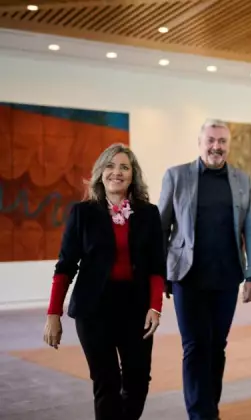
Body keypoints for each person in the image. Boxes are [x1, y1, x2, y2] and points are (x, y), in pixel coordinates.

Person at [43, 143, 166, 420]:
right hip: (94, 310)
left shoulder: (148, 213)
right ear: (100, 173)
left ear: (133, 175)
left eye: (124, 167)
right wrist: (53, 314)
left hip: (135, 308)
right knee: (106, 383)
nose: (117, 172)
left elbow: (157, 267)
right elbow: (65, 267)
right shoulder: (82, 213)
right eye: (110, 166)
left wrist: (155, 307)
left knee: (137, 381)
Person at [158, 118, 251, 420]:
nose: (216, 147)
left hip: (226, 276)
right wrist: (162, 274)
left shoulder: (242, 180)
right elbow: (161, 228)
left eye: (222, 142)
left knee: (217, 347)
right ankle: (199, 414)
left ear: (229, 145)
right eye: (211, 140)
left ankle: (210, 409)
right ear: (200, 142)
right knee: (194, 347)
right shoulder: (176, 176)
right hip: (187, 277)